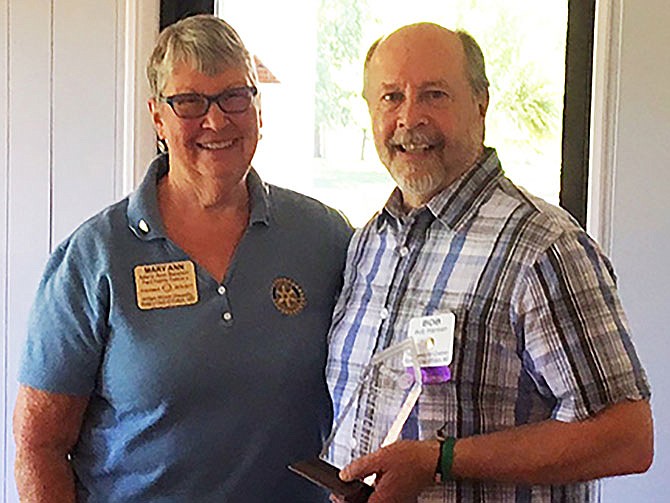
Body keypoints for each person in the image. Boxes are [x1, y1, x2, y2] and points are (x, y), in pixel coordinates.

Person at [14, 14, 352, 503]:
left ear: (258, 109)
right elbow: (40, 443)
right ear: (158, 117)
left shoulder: (323, 237)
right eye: (190, 102)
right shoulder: (95, 256)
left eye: (235, 97)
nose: (216, 121)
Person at [325, 22, 652, 502]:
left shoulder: (543, 246)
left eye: (434, 95)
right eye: (391, 97)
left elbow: (626, 438)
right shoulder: (369, 243)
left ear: (481, 105)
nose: (409, 117)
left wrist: (441, 460)